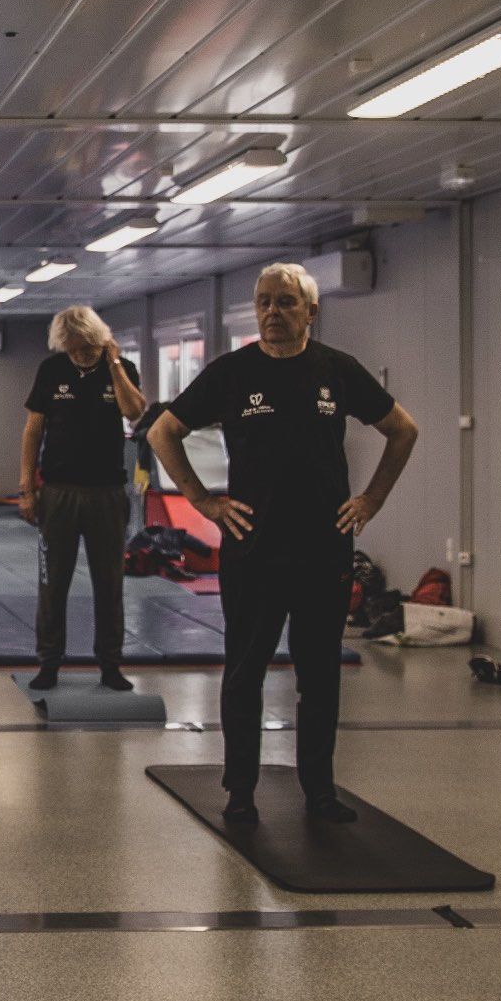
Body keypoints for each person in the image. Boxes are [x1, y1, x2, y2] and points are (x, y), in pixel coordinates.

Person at [146, 262, 420, 824]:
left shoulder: (337, 370)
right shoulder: (231, 373)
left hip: (324, 548)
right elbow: (162, 431)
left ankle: (319, 791)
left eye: (285, 302)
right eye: (264, 302)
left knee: (319, 676)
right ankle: (240, 792)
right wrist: (203, 501)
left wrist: (371, 500)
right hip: (253, 549)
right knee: (245, 672)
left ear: (310, 311)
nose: (272, 311)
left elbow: (403, 429)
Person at [19, 306, 147, 692]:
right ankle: (49, 662)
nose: (80, 356)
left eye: (87, 349)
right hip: (58, 492)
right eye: (73, 350)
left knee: (109, 584)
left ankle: (110, 664)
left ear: (101, 342)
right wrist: (27, 489)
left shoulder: (120, 368)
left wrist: (115, 365)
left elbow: (134, 411)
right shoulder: (51, 370)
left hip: (107, 493)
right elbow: (32, 431)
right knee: (52, 584)